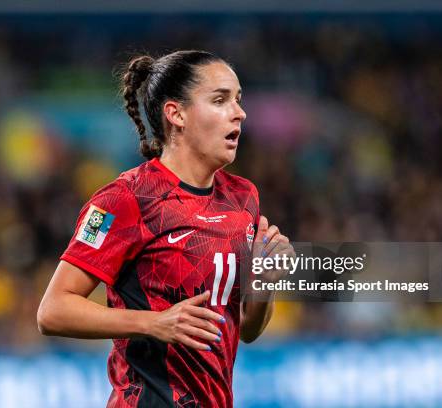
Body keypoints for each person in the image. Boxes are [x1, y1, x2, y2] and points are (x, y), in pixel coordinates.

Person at [37, 50, 294, 408]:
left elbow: (247, 330)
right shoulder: (121, 199)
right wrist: (154, 323)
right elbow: (53, 311)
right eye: (220, 100)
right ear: (177, 114)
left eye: (238, 99)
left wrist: (265, 283)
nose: (239, 112)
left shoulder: (243, 198)